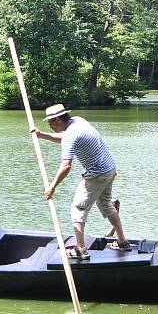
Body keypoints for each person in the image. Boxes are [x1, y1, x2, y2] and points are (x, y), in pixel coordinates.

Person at [32, 104, 130, 260]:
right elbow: (65, 137)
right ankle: (122, 242)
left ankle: (80, 250)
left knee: (78, 210)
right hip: (109, 169)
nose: (50, 126)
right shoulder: (78, 121)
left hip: (96, 174)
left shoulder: (71, 134)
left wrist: (52, 186)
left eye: (50, 123)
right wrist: (42, 135)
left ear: (57, 120)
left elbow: (66, 165)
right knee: (105, 205)